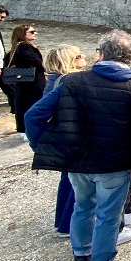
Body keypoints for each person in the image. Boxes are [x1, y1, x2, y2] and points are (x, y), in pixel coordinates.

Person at [25, 29, 131, 261]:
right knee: (108, 216)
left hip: (78, 159)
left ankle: (82, 253)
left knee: (82, 206)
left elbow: (33, 116)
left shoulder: (71, 82)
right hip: (114, 162)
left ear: (101, 54)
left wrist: (43, 146)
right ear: (130, 58)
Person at [42, 45, 87, 238]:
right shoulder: (69, 81)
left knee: (67, 180)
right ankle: (68, 226)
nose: (83, 57)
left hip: (63, 136)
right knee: (76, 184)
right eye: (78, 56)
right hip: (74, 136)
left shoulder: (53, 80)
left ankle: (62, 221)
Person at [5, 24, 46, 134]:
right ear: (23, 34)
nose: (35, 33)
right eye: (32, 32)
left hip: (26, 79)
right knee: (31, 102)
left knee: (26, 102)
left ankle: (26, 128)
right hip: (31, 79)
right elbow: (34, 60)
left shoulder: (19, 46)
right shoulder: (23, 46)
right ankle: (27, 129)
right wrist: (44, 67)